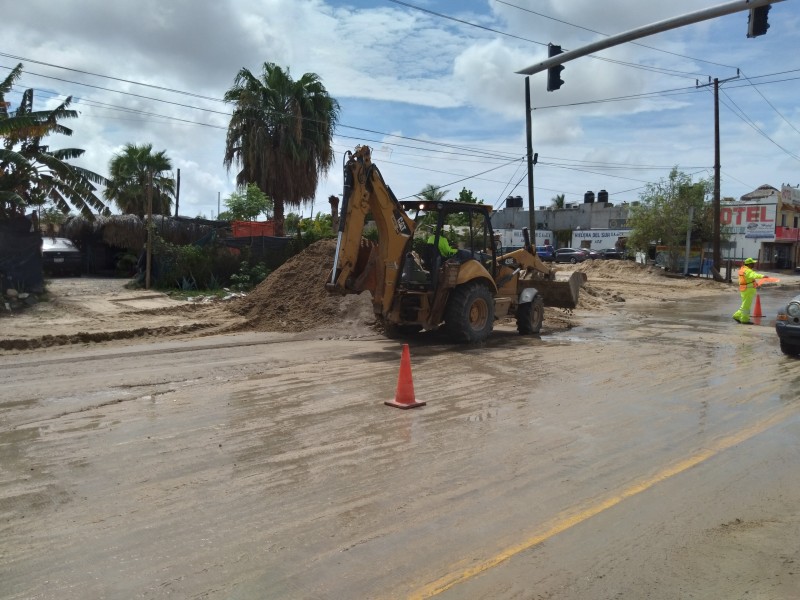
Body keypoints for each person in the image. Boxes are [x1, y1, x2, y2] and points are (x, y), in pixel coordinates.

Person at [732, 257, 765, 324]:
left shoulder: (742, 269)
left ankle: (737, 315)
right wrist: (763, 276)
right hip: (748, 290)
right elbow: (754, 275)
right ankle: (745, 320)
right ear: (749, 264)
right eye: (752, 263)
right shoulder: (748, 271)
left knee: (744, 304)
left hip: (743, 289)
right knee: (746, 306)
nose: (754, 265)